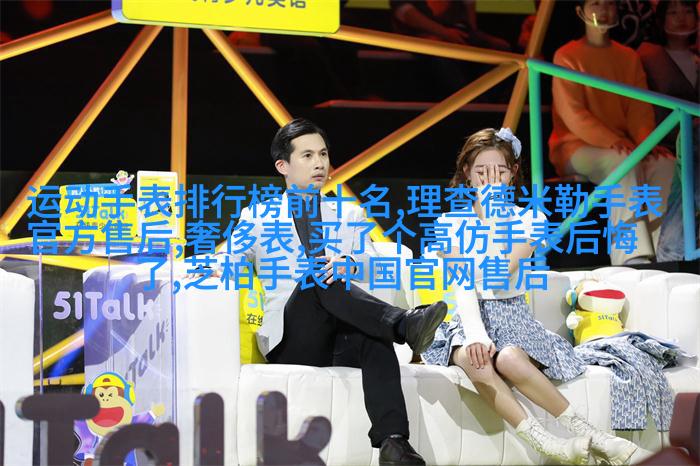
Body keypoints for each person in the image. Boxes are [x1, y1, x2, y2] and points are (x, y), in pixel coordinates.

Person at [211, 118, 447, 466]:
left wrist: (349, 264)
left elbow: (375, 262)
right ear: (283, 166)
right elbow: (229, 258)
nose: (320, 163)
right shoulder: (259, 216)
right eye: (307, 155)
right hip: (291, 339)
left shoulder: (348, 214)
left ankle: (394, 443)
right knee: (316, 275)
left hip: (339, 339)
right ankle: (403, 324)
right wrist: (200, 267)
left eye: (323, 154)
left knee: (373, 334)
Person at [422, 128, 639, 465]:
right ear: (466, 173)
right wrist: (476, 333)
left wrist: (492, 212)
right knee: (475, 358)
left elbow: (496, 274)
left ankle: (595, 436)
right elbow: (464, 282)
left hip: (514, 319)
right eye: (482, 172)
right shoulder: (448, 223)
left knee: (508, 359)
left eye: (499, 171)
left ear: (512, 174)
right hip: (469, 320)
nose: (490, 180)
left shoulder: (530, 219)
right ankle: (550, 445)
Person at [549, 0, 676, 266]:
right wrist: (613, 140)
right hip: (575, 147)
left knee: (664, 163)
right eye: (596, 3)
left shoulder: (628, 57)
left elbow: (639, 108)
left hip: (624, 146)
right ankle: (630, 256)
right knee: (623, 163)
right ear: (580, 11)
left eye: (609, 3)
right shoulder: (567, 55)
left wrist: (646, 143)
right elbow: (573, 114)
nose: (603, 10)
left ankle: (665, 248)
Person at [638, 0, 700, 261]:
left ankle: (672, 250)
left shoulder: (697, 57)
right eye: (673, 12)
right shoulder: (648, 56)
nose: (681, 18)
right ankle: (671, 250)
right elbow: (640, 105)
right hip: (665, 137)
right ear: (661, 19)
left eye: (687, 11)